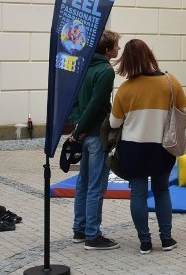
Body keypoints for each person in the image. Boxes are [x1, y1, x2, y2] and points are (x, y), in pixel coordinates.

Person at [110, 39, 186, 255]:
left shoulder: (125, 90)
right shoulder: (170, 81)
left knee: (138, 193)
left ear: (126, 61)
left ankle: (144, 242)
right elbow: (184, 108)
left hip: (133, 148)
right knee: (162, 190)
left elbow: (114, 123)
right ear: (149, 55)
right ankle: (166, 239)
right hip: (162, 146)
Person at [67, 29, 120, 250]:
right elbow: (96, 104)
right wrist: (82, 128)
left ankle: (79, 229)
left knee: (83, 183)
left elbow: (76, 103)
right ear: (107, 50)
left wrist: (77, 126)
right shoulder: (106, 72)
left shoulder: (84, 67)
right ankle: (92, 235)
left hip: (85, 133)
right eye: (116, 46)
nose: (119, 49)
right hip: (97, 134)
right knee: (96, 186)